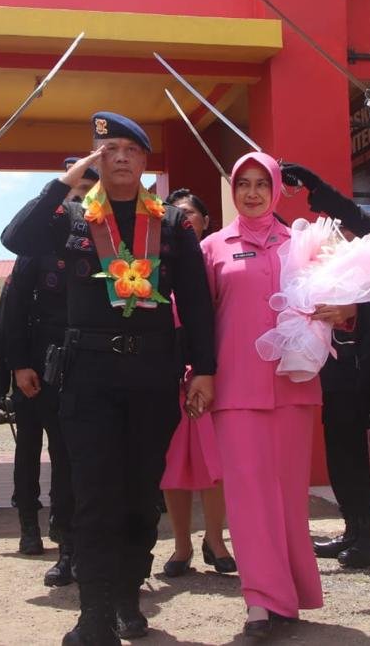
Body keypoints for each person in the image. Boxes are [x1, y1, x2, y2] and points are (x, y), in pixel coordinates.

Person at [2, 113, 216, 645]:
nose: (120, 157)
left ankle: (126, 596)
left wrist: (205, 370)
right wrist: (66, 181)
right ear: (95, 158)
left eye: (131, 149)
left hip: (151, 376)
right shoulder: (72, 216)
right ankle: (94, 615)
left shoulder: (171, 223)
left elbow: (196, 303)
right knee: (94, 495)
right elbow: (15, 237)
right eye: (109, 149)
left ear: (145, 161)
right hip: (88, 378)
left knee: (140, 495)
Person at [204, 153, 353, 637]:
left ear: (274, 189)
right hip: (235, 391)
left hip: (295, 387)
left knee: (289, 499)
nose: (252, 193)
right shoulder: (212, 248)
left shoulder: (302, 244)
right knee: (248, 499)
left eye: (261, 184)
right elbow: (197, 318)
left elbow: (339, 299)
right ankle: (261, 602)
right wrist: (195, 374)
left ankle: (291, 595)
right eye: (242, 184)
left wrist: (345, 308)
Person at [280, 164, 370, 570]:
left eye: (348, 231)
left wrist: (353, 309)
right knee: (340, 453)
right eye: (339, 231)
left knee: (364, 455)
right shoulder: (327, 266)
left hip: (364, 373)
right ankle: (352, 527)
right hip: (334, 374)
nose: (342, 237)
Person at [0, 158, 96, 582]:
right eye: (75, 193)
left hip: (83, 365)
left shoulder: (104, 237)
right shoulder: (38, 242)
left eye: (88, 192)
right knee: (30, 448)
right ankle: (28, 525)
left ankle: (69, 543)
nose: (80, 201)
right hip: (37, 367)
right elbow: (14, 310)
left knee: (70, 455)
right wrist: (17, 366)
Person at [158, 188, 234, 577]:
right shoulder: (158, 261)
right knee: (173, 464)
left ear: (206, 221)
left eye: (191, 214)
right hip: (167, 375)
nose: (184, 220)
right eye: (176, 214)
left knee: (214, 461)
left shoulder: (221, 259)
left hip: (211, 373)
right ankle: (181, 545)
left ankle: (216, 540)